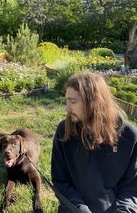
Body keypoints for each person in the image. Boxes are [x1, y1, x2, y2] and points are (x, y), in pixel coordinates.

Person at [51, 71, 137, 213]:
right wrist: (79, 208)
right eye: (67, 100)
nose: (67, 107)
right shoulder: (64, 131)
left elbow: (132, 188)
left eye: (73, 102)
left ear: (95, 100)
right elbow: (60, 180)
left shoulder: (130, 137)